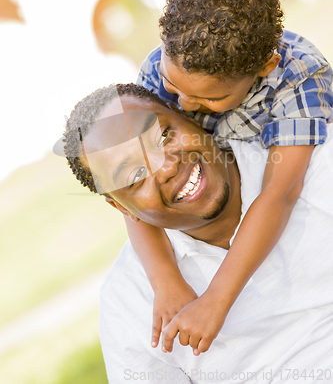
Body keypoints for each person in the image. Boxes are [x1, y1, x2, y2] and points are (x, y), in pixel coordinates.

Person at [63, 83, 333, 383]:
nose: (165, 168)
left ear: (189, 116)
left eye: (164, 136)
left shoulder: (315, 162)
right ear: (122, 209)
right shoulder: (129, 302)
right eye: (135, 175)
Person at [132, 0, 333, 354]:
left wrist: (215, 300)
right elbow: (131, 187)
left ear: (265, 67)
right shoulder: (158, 71)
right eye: (175, 86)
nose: (184, 103)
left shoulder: (300, 77)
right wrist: (165, 279)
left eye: (211, 98)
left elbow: (280, 192)